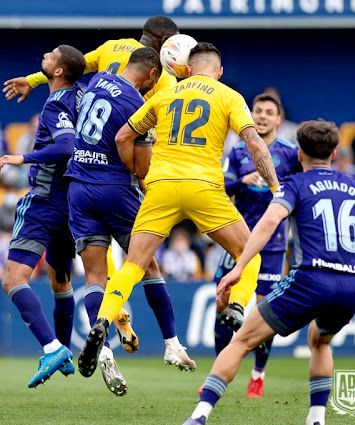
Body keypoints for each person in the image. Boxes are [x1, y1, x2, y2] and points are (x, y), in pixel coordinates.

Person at [183, 119, 355, 425]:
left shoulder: (296, 185)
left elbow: (270, 222)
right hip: (352, 285)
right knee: (320, 341)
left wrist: (241, 266)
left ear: (299, 154)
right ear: (336, 153)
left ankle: (199, 416)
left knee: (242, 340)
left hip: (310, 279)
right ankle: (316, 419)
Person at [77, 42, 279, 377]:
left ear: (185, 68)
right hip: (205, 189)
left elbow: (124, 136)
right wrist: (276, 188)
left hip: (162, 187)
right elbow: (254, 142)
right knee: (250, 254)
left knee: (132, 266)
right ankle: (238, 306)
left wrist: (138, 173)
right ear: (219, 71)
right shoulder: (228, 95)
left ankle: (102, 322)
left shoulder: (164, 94)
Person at [64, 47, 195, 395]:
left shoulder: (95, 81)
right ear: (152, 75)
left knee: (95, 275)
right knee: (146, 265)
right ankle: (172, 343)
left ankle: (103, 347)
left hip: (77, 186)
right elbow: (141, 166)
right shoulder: (137, 105)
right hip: (113, 190)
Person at [0, 45, 86, 388]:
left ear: (60, 71)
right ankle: (62, 348)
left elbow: (65, 146)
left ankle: (51, 348)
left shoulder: (56, 104)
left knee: (12, 280)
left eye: (51, 55)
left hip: (44, 201)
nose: (44, 56)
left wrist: (23, 158)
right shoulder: (83, 97)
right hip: (72, 204)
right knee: (60, 282)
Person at [212, 92, 301, 397]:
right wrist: (242, 181)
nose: (261, 116)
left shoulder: (291, 153)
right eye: (257, 111)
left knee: (264, 312)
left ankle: (258, 373)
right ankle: (217, 373)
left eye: (268, 112)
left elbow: (302, 189)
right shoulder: (237, 151)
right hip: (238, 240)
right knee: (221, 302)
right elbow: (221, 186)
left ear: (279, 119)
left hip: (274, 245)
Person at [2, 15, 179, 104]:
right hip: (126, 142)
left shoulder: (111, 46)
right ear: (164, 41)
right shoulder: (160, 73)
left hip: (93, 133)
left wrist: (31, 80)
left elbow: (70, 67)